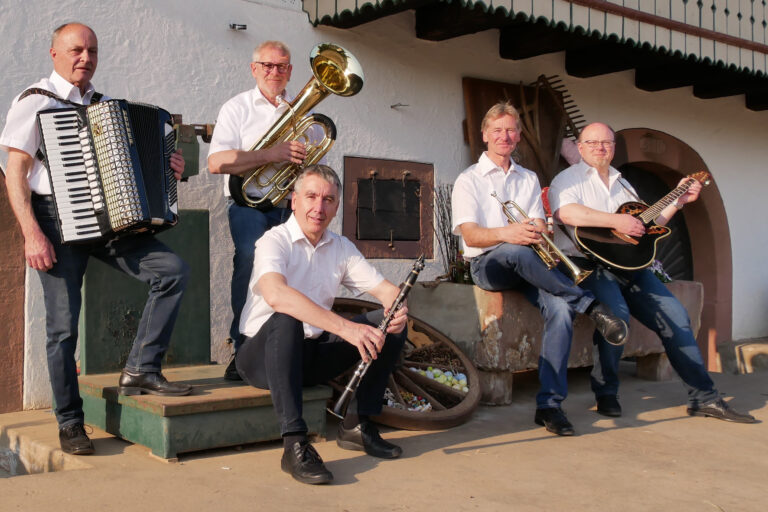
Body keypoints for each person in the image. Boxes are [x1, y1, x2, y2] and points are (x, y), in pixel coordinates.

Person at [0, 23, 192, 456]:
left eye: (91, 51)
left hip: (108, 222)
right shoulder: (33, 103)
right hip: (53, 222)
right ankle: (70, 422)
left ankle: (142, 366)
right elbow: (16, 175)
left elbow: (135, 170)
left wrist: (169, 165)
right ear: (54, 54)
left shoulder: (106, 107)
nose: (84, 58)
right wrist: (31, 233)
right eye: (75, 50)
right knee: (63, 328)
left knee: (173, 271)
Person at [549, 122, 755, 423]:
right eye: (592, 143)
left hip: (632, 266)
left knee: (677, 318)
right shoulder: (567, 180)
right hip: (591, 265)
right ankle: (606, 392)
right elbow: (566, 213)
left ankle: (704, 398)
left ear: (613, 147)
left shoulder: (623, 184)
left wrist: (678, 202)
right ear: (580, 148)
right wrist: (615, 222)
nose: (600, 148)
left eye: (606, 142)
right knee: (616, 316)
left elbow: (648, 224)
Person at [451, 102, 628, 437]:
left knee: (560, 310)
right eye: (498, 130)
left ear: (518, 136)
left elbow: (535, 225)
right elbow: (471, 235)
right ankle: (590, 305)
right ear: (485, 134)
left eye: (511, 130)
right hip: (487, 266)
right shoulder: (468, 180)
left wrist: (536, 230)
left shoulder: (529, 178)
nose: (505, 136)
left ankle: (550, 405)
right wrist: (509, 233)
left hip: (529, 264)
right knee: (514, 251)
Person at [235, 165, 407, 485]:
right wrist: (346, 328)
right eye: (311, 196)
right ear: (294, 201)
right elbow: (276, 295)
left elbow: (384, 289)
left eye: (328, 200)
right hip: (261, 356)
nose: (319, 207)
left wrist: (398, 303)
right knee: (286, 317)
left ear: (337, 207)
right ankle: (295, 445)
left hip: (310, 356)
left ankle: (358, 423)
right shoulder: (273, 241)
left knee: (388, 321)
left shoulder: (340, 246)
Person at [208, 40, 308, 380]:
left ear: (290, 71)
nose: (274, 72)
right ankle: (242, 351)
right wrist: (271, 154)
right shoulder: (236, 108)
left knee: (294, 271)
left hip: (286, 204)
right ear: (254, 69)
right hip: (247, 204)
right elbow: (216, 162)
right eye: (267, 65)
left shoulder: (299, 111)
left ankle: (287, 350)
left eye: (281, 66)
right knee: (251, 261)